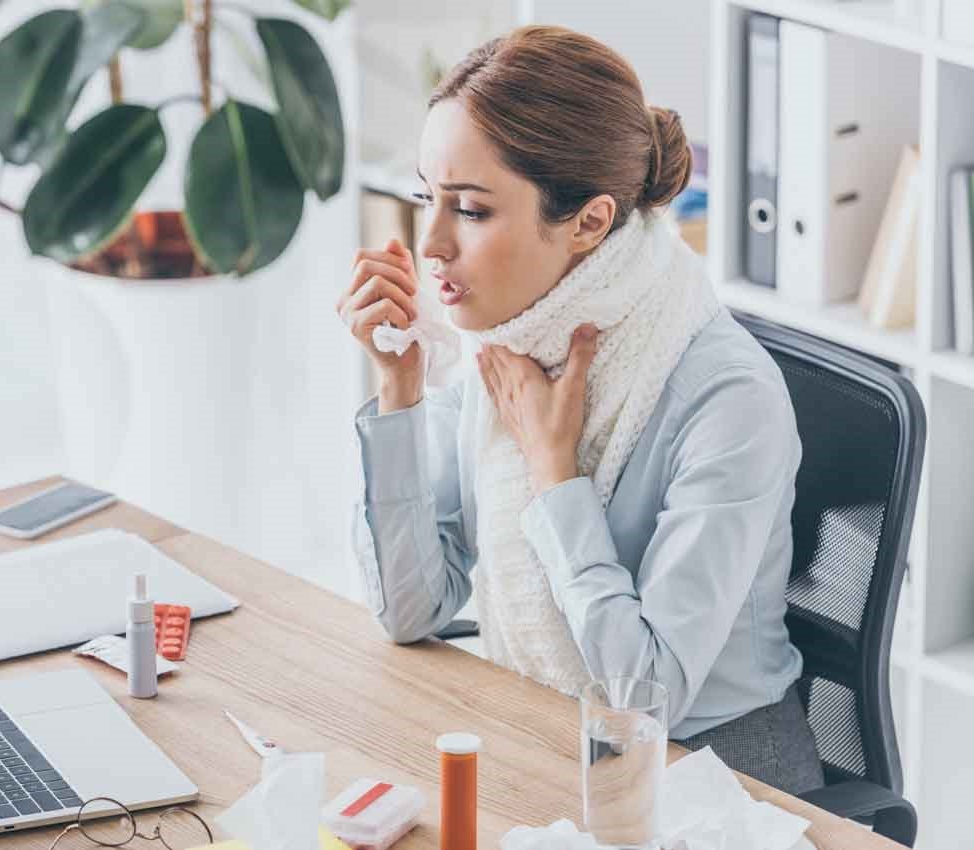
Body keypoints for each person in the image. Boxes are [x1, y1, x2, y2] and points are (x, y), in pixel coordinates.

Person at [336, 25, 824, 795]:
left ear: (590, 222)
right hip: (540, 737)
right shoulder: (509, 337)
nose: (429, 244)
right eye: (426, 198)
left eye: (468, 209)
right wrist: (399, 391)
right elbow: (410, 609)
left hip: (716, 779)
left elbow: (646, 698)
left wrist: (554, 477)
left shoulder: (731, 401)